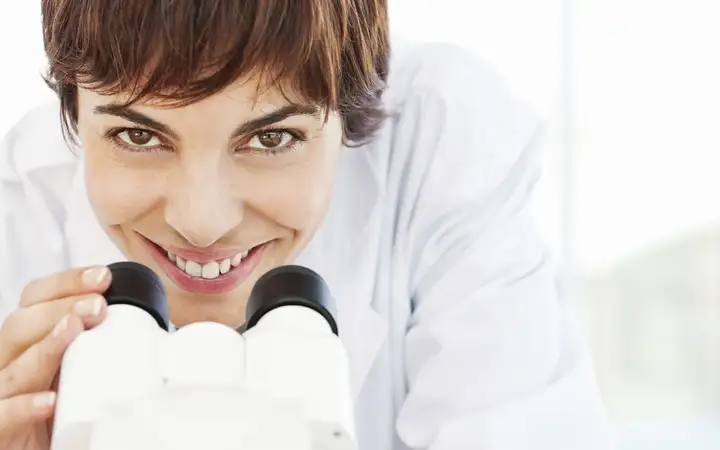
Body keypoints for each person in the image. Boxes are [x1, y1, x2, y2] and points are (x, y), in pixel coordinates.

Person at [0, 0, 611, 449]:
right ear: (74, 116)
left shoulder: (438, 145)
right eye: (138, 135)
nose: (201, 222)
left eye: (272, 137)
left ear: (349, 118)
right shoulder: (19, 211)